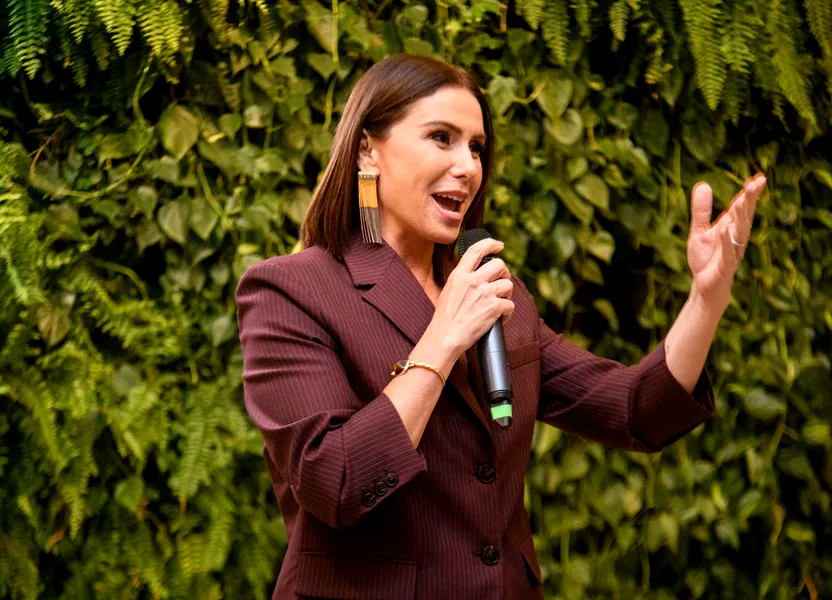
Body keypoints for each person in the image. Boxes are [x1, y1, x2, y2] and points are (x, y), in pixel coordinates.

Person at [235, 54, 766, 600]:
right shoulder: (291, 291)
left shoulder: (493, 291)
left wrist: (706, 299)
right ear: (368, 149)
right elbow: (335, 482)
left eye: (476, 147)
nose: (467, 165)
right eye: (441, 138)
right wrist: (443, 338)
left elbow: (634, 410)